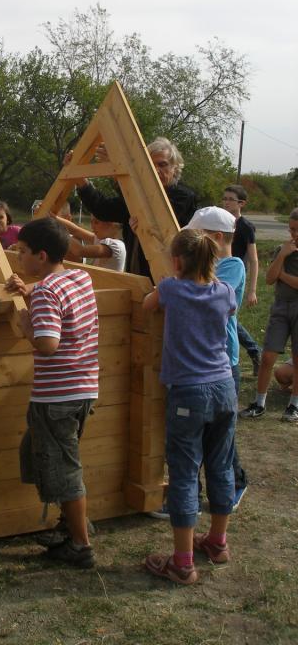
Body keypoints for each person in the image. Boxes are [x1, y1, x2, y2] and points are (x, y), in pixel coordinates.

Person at [143, 228, 237, 585]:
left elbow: (146, 305)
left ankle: (182, 563)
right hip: (224, 387)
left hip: (189, 393)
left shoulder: (170, 288)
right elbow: (228, 310)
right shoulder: (225, 291)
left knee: (183, 473)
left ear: (178, 261)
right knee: (221, 465)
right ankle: (217, 542)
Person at [5, 217, 99, 568]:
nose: (19, 257)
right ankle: (70, 524)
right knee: (43, 456)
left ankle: (80, 544)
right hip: (82, 389)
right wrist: (29, 293)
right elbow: (62, 306)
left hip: (56, 397)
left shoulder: (46, 291)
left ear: (41, 256)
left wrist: (26, 325)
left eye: (23, 251)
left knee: (63, 470)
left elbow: (47, 344)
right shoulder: (80, 277)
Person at [187, 206, 248, 510]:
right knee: (204, 433)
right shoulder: (201, 268)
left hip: (225, 361)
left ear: (217, 238)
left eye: (198, 237)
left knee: (221, 434)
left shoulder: (232, 265)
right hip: (204, 361)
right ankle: (197, 493)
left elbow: (205, 295)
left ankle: (235, 483)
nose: (193, 244)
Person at [68, 137, 197, 278]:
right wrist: (77, 177)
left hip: (173, 280)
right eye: (149, 165)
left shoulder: (183, 196)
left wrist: (120, 173)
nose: (155, 170)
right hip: (138, 278)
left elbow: (155, 219)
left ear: (174, 168)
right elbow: (102, 208)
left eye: (162, 164)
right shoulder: (137, 195)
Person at [239, 208, 298, 422]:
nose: (294, 234)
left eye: (297, 230)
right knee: (267, 356)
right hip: (281, 307)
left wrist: (283, 274)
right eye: (291, 229)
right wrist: (282, 256)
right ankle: (259, 403)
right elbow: (270, 278)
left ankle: (293, 406)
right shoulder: (281, 249)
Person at [222, 185, 261, 376]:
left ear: (241, 203)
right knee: (227, 317)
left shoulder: (245, 226)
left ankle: (253, 351)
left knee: (228, 316)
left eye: (230, 199)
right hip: (221, 272)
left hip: (235, 276)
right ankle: (254, 351)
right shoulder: (221, 221)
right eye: (224, 198)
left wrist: (252, 290)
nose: (226, 202)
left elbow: (254, 259)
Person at [51, 213, 126, 271]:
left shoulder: (116, 245)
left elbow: (80, 251)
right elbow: (76, 230)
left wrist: (59, 232)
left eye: (96, 222)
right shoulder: (102, 240)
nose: (92, 226)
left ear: (112, 224)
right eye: (91, 222)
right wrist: (54, 218)